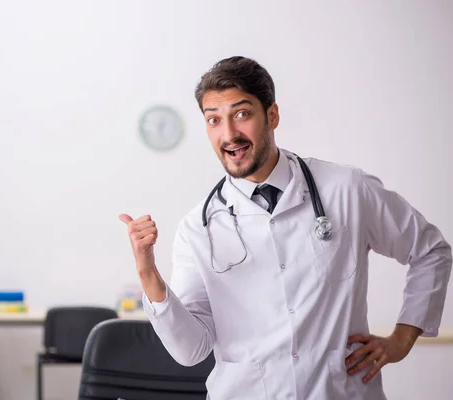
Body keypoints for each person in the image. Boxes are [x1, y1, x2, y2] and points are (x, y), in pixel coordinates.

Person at [119, 56, 452, 400]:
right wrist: (149, 276)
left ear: (272, 115)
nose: (229, 134)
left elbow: (430, 251)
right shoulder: (197, 228)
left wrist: (402, 337)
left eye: (242, 114)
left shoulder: (346, 189)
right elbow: (191, 350)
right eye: (214, 120)